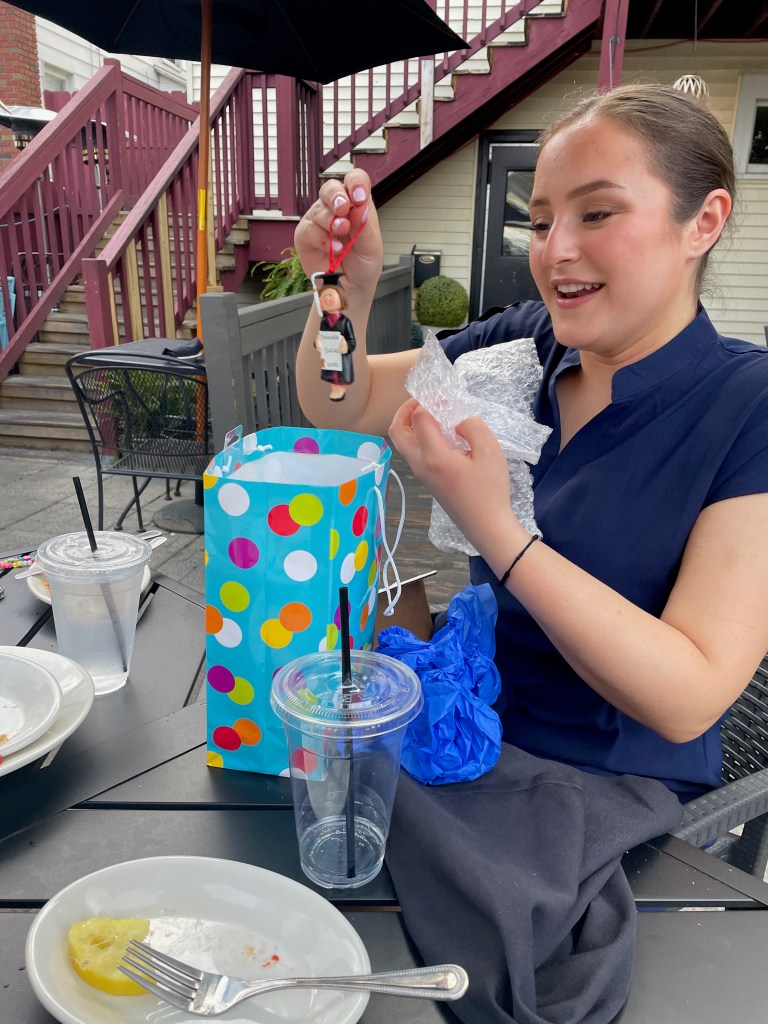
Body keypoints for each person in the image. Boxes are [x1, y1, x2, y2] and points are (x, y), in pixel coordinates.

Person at [294, 83, 768, 800]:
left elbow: (689, 696)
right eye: (540, 222)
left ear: (702, 222)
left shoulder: (747, 406)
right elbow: (346, 400)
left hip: (613, 797)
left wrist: (496, 527)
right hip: (465, 731)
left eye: (598, 213)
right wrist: (340, 289)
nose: (556, 251)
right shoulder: (524, 347)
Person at [313, 273, 356, 401]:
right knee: (330, 373)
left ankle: (341, 389)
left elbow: (352, 341)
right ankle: (334, 388)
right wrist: (317, 343)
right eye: (323, 296)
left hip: (341, 356)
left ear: (340, 298)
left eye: (330, 295)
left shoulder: (345, 322)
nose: (326, 299)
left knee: (340, 375)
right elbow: (320, 336)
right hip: (329, 355)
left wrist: (346, 346)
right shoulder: (324, 321)